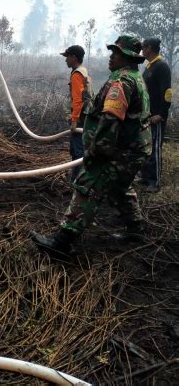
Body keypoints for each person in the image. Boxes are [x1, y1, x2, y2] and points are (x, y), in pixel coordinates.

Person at [31, 35, 151, 258]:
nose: (111, 57)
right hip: (136, 150)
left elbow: (110, 119)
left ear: (126, 57)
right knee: (120, 187)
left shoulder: (121, 82)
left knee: (87, 186)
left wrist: (97, 150)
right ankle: (136, 230)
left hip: (118, 151)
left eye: (115, 53)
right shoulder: (136, 77)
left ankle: (62, 243)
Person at [138, 38, 172, 192]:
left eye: (143, 48)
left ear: (149, 48)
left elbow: (167, 92)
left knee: (155, 148)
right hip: (147, 115)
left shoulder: (161, 66)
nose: (142, 51)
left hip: (156, 116)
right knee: (146, 147)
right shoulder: (149, 67)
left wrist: (161, 114)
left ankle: (155, 182)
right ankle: (145, 176)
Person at [61, 45, 92, 181]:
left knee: (78, 150)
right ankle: (78, 177)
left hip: (80, 117)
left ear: (74, 57)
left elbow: (78, 100)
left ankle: (78, 181)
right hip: (86, 115)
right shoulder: (83, 71)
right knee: (80, 148)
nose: (65, 60)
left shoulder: (76, 75)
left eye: (67, 57)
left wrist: (74, 121)